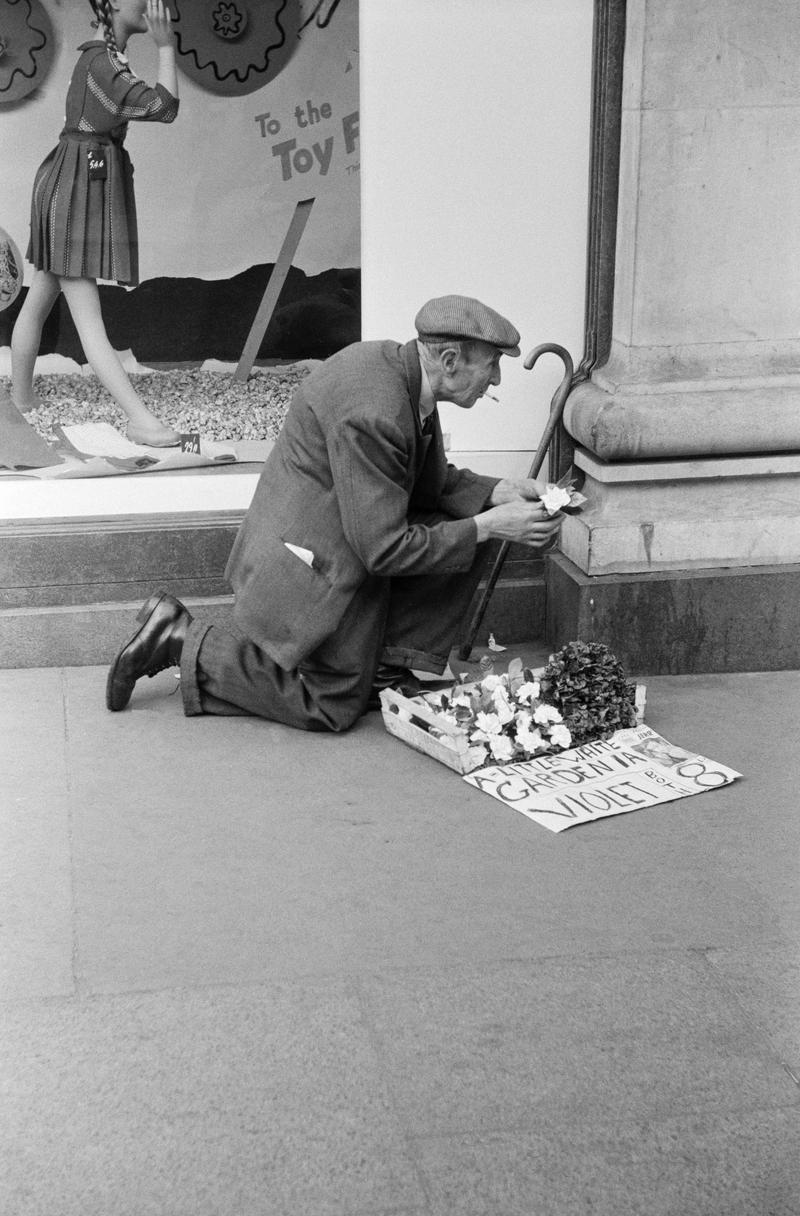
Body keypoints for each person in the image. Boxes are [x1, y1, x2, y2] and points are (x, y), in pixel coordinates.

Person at [106, 295, 565, 730]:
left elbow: (427, 483)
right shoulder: (376, 411)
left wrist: (500, 491)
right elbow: (384, 551)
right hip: (307, 560)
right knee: (331, 705)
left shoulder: (401, 373)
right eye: (493, 366)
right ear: (449, 362)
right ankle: (183, 638)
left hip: (338, 534)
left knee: (464, 522)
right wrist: (487, 526)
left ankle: (381, 668)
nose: (497, 381)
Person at [9, 0, 181, 447]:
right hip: (74, 188)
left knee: (42, 292)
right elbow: (164, 108)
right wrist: (166, 48)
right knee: (88, 319)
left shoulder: (104, 58)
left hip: (69, 182)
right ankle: (141, 420)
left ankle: (22, 400)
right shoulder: (102, 62)